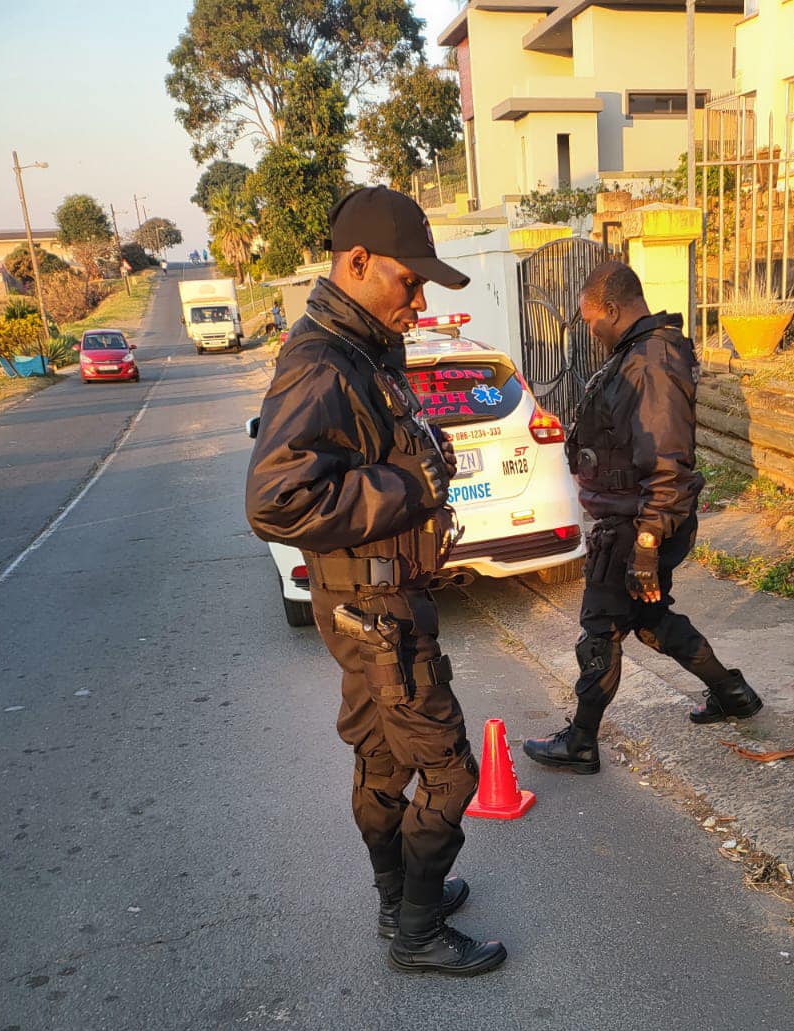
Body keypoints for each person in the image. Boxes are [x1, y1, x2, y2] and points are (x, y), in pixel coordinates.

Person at [245, 186, 506, 977]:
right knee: (453, 770)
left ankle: (399, 901)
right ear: (356, 263)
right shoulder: (323, 361)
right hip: (376, 607)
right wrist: (412, 490)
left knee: (385, 761)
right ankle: (418, 933)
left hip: (372, 601)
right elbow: (276, 497)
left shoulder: (360, 349)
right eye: (409, 280)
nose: (419, 299)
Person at [523, 262, 762, 777]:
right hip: (633, 521)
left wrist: (647, 545)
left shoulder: (651, 360)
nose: (590, 332)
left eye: (591, 321)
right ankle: (733, 694)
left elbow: (667, 460)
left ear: (612, 308)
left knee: (601, 629)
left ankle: (581, 741)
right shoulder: (637, 354)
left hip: (635, 526)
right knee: (651, 619)